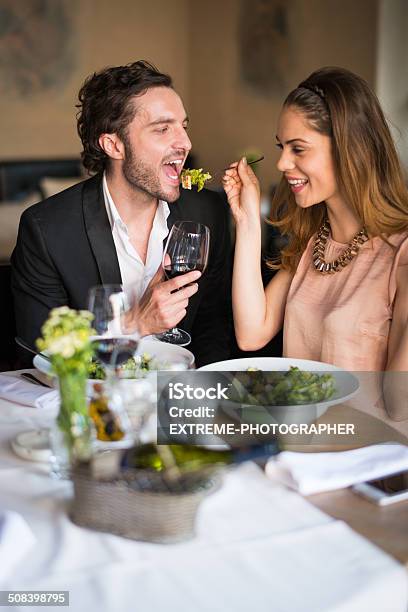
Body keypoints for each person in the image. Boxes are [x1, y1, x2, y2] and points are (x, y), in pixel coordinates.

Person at [11, 60, 232, 367]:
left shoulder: (209, 211)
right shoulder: (47, 230)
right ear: (113, 144)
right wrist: (135, 323)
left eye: (183, 126)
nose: (185, 143)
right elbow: (40, 354)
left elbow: (214, 330)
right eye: (163, 129)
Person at [223, 67, 408, 421]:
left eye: (298, 149)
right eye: (281, 147)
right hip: (295, 452)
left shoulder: (400, 255)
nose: (282, 162)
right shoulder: (314, 244)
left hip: (359, 461)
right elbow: (251, 333)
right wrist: (247, 221)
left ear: (349, 150)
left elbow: (402, 409)